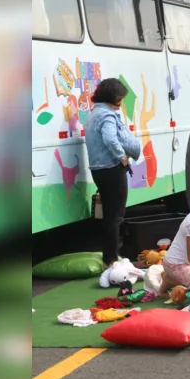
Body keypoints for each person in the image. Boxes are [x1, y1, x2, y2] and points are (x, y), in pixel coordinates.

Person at [84, 78, 142, 267]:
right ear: (114, 97)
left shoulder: (94, 113)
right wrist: (122, 157)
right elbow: (110, 138)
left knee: (110, 215)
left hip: (98, 169)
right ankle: (111, 259)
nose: (122, 102)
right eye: (120, 98)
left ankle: (109, 257)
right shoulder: (107, 116)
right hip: (111, 169)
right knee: (116, 216)